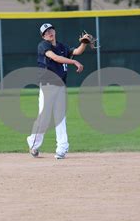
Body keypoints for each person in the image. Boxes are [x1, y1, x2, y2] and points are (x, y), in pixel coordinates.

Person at [26, 23, 91, 159]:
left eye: (51, 30)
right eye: (46, 32)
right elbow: (55, 58)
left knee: (60, 118)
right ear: (43, 36)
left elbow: (77, 51)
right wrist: (74, 62)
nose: (49, 33)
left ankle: (62, 148)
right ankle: (34, 144)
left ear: (54, 31)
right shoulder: (43, 46)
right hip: (47, 86)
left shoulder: (62, 47)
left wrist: (84, 43)